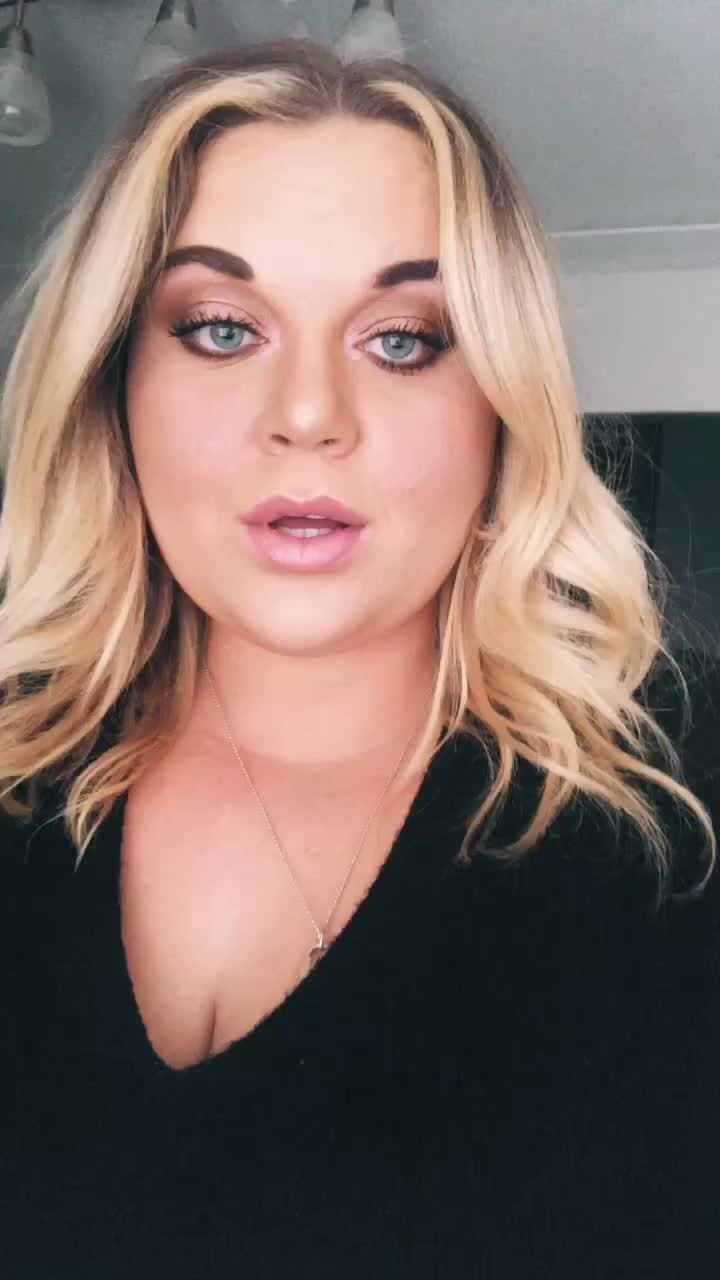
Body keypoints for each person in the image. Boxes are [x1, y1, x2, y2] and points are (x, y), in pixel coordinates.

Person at [0, 37, 718, 1280]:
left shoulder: (687, 805)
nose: (309, 415)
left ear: (501, 404)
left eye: (403, 340)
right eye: (221, 328)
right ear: (115, 383)